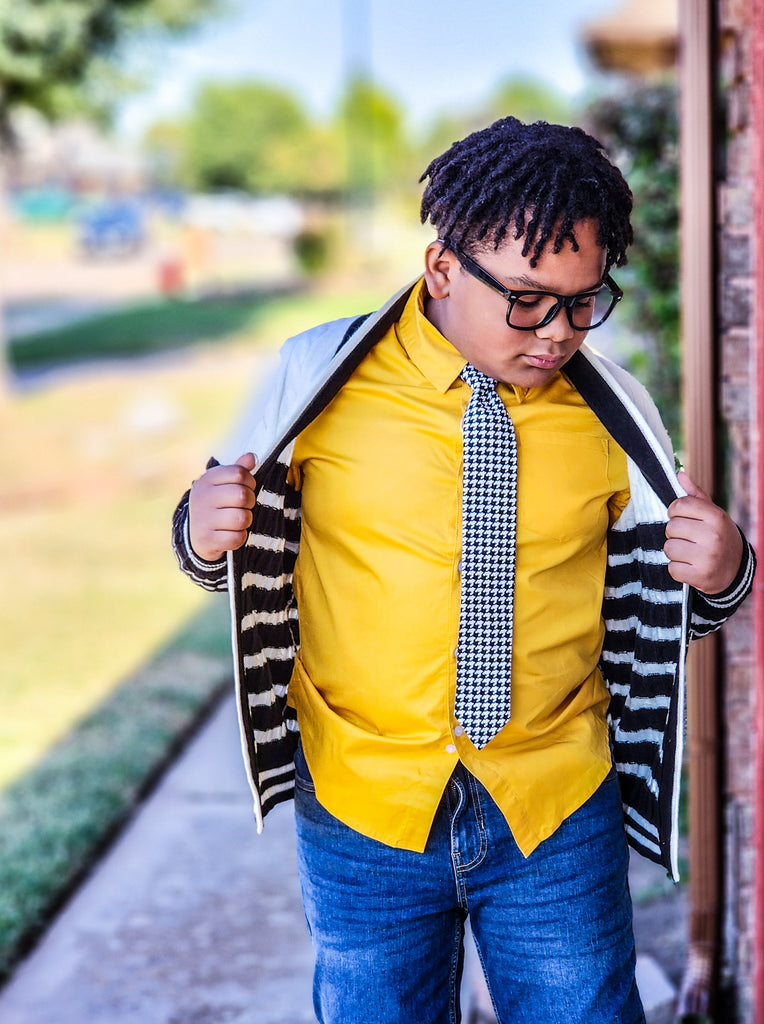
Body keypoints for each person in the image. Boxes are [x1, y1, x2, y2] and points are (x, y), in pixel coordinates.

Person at [172, 117, 755, 1024]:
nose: (558, 332)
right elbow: (224, 552)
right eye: (527, 299)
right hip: (363, 802)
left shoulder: (613, 411)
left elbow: (667, 605)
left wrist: (722, 572)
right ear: (442, 268)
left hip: (555, 806)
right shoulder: (317, 378)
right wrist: (206, 536)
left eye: (585, 301)